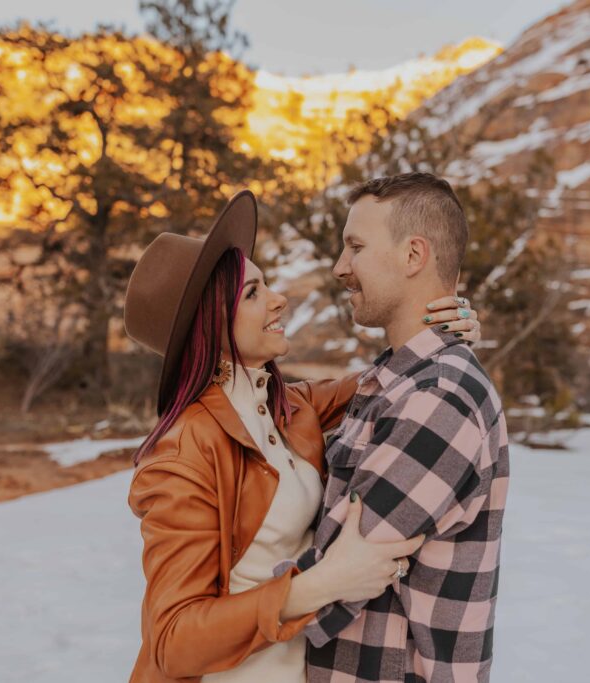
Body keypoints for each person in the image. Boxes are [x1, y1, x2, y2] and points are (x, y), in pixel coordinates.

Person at [123, 189, 481, 682]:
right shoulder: (184, 451)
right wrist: (319, 584)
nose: (279, 298)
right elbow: (173, 641)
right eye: (253, 293)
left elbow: (394, 380)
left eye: (266, 282)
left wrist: (447, 329)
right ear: (212, 323)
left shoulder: (287, 406)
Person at [289, 172, 510, 683]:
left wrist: (197, 618)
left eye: (356, 247)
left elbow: (334, 583)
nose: (341, 267)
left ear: (414, 256)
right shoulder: (391, 382)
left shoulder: (438, 399)